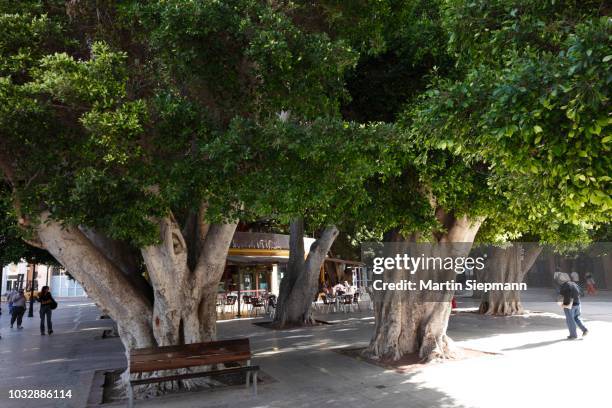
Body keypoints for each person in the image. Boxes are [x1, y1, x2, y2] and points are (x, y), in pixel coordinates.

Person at [557, 273, 588, 339]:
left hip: (569, 303)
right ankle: (584, 329)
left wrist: (563, 303)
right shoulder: (573, 283)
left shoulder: (564, 285)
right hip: (578, 302)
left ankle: (573, 335)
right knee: (576, 317)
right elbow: (581, 292)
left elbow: (561, 295)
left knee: (570, 320)